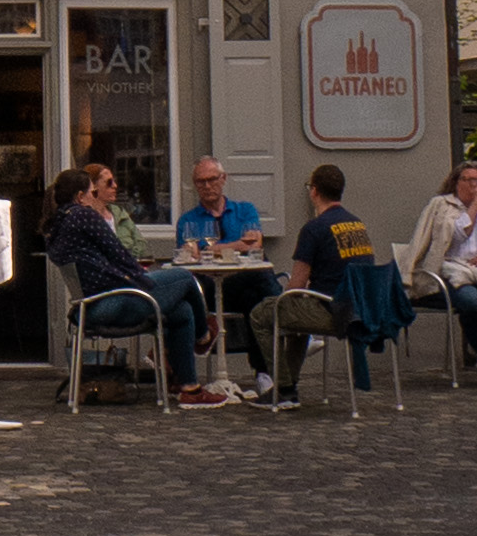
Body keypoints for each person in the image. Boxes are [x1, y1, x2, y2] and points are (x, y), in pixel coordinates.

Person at [46, 158, 209, 399]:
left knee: (182, 311)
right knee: (185, 278)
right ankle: (204, 335)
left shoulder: (57, 223)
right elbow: (119, 253)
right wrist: (145, 282)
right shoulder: (83, 215)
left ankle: (189, 388)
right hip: (110, 303)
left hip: (88, 307)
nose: (94, 197)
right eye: (92, 192)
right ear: (81, 196)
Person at [251, 164, 379, 403]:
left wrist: (282, 300)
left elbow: (297, 284)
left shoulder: (314, 228)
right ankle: (288, 386)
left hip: (333, 311)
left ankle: (282, 387)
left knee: (263, 313)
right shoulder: (357, 224)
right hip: (361, 310)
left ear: (314, 191)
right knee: (295, 316)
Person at [403, 159, 477, 380]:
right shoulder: (441, 205)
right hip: (449, 272)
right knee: (476, 303)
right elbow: (459, 233)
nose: (474, 185)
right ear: (456, 182)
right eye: (469, 180)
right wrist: (476, 203)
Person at [171, 153, 273, 390]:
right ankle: (287, 313)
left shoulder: (244, 210)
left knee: (254, 299)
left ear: (223, 178)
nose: (207, 186)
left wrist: (212, 248)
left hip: (239, 287)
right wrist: (237, 246)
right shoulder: (188, 220)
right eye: (200, 181)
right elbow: (191, 255)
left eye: (212, 179)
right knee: (260, 274)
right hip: (206, 288)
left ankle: (263, 373)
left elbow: (256, 244)